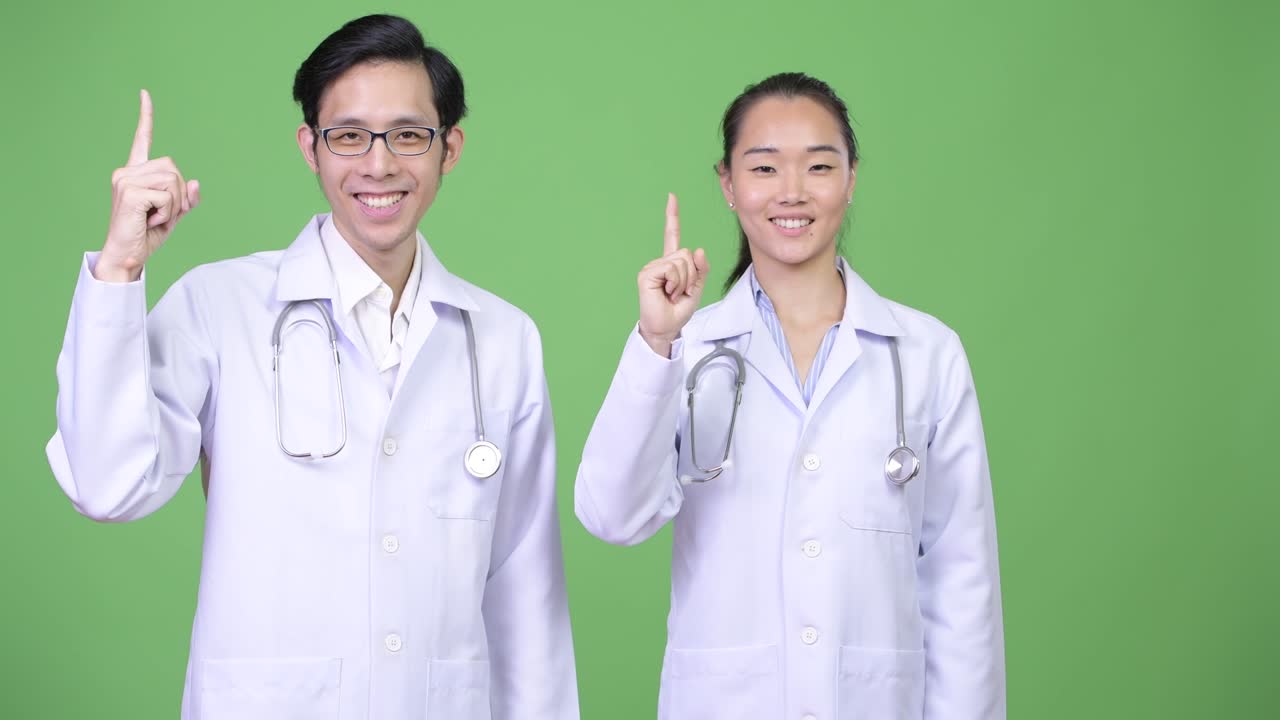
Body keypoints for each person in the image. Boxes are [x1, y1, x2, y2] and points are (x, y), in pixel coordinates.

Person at [46, 14, 577, 720]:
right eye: (349, 135)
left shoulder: (503, 339)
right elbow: (107, 485)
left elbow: (525, 593)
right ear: (311, 148)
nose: (379, 166)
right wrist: (119, 269)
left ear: (449, 148)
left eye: (408, 135)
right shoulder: (219, 306)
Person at [574, 72, 1004, 719]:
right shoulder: (687, 345)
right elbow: (612, 516)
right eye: (765, 167)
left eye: (820, 166)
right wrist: (657, 342)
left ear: (852, 178)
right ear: (728, 184)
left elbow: (961, 581)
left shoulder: (926, 353)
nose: (793, 192)